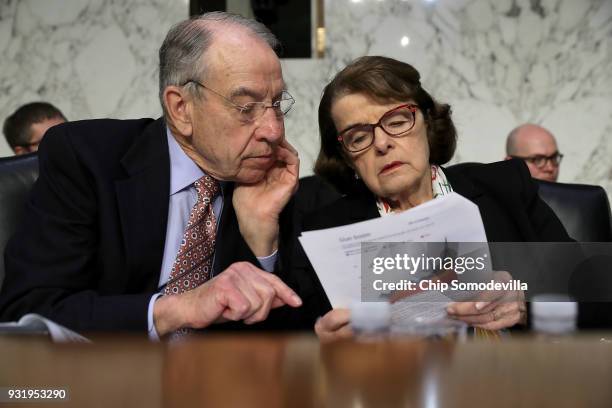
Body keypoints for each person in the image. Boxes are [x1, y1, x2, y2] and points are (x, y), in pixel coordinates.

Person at [0, 12, 305, 338]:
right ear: (180, 108)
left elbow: (279, 345)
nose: (273, 131)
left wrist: (262, 242)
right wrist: (176, 309)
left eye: (276, 104)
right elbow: (29, 311)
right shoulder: (87, 159)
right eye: (246, 108)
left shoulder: (268, 183)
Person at [290, 56, 572, 342]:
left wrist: (525, 303)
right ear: (348, 159)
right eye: (359, 138)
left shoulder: (505, 187)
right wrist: (325, 345)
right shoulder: (325, 229)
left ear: (428, 122)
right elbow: (297, 341)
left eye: (397, 121)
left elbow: (591, 285)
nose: (382, 143)